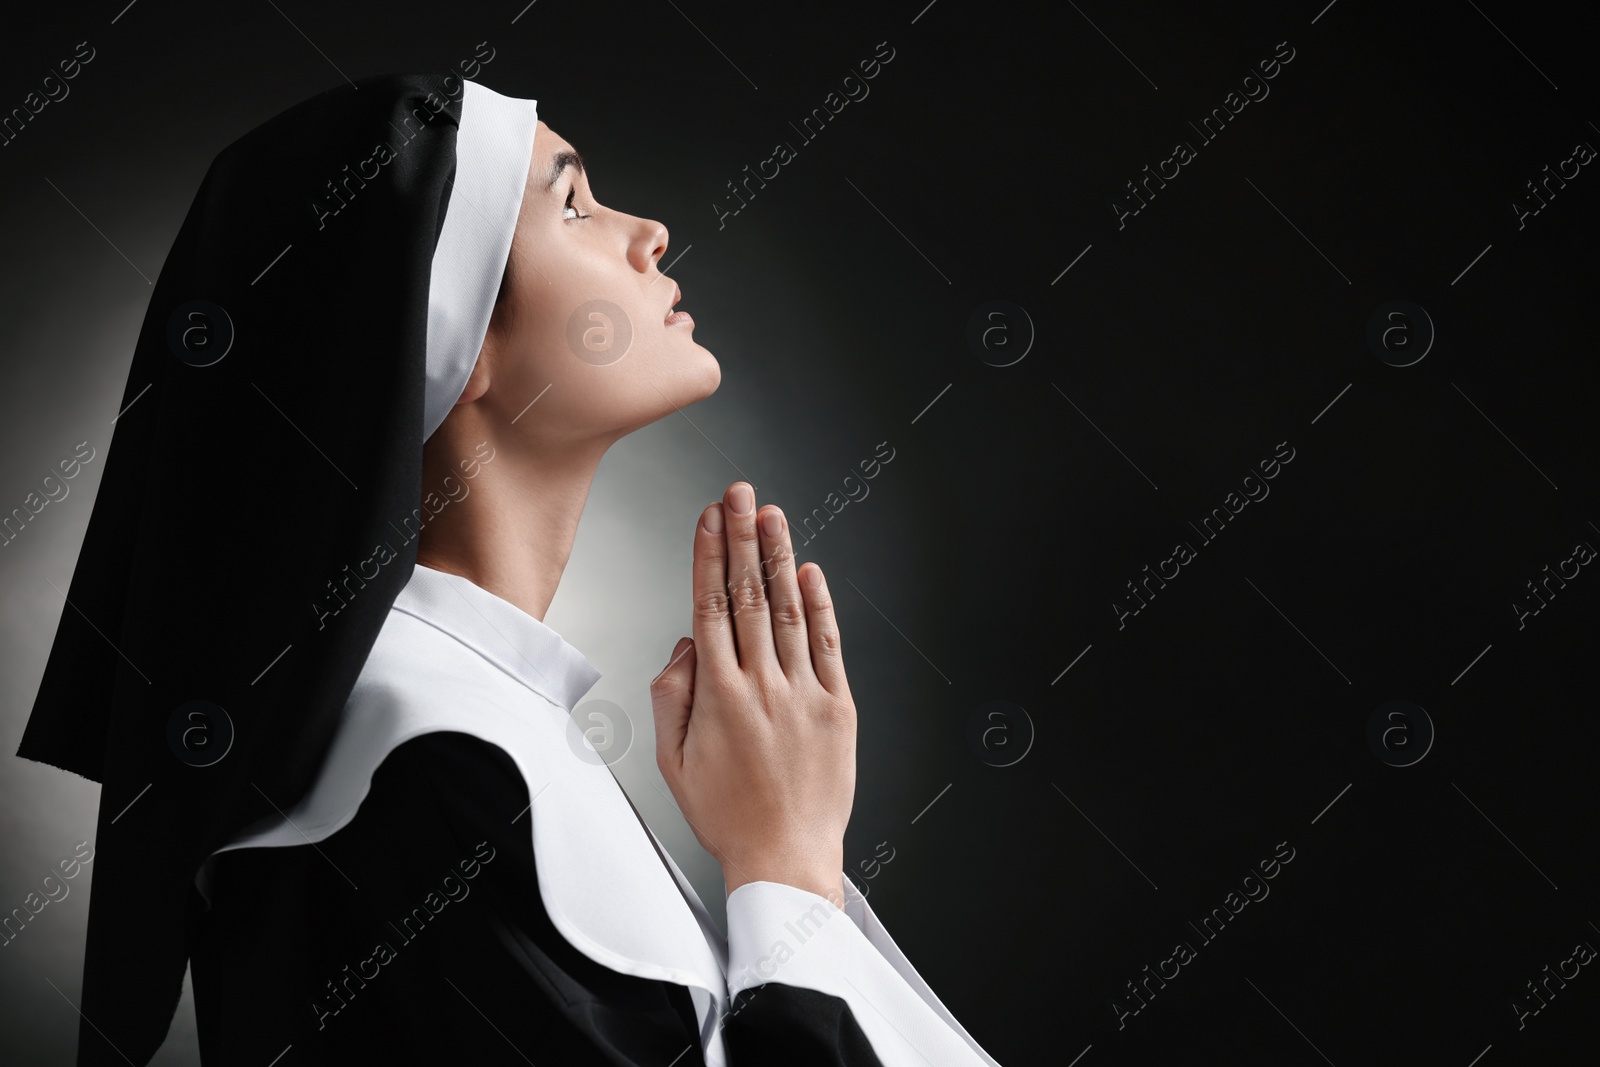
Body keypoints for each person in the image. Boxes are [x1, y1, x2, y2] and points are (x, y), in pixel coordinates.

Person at [19, 72, 1001, 1066]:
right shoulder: (425, 777)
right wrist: (783, 859)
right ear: (443, 331)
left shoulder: (472, 734)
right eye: (571, 203)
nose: (647, 231)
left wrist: (787, 869)